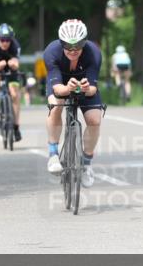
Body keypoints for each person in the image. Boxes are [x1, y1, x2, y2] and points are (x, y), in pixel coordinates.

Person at [44, 19, 104, 188]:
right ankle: (53, 154)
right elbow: (57, 89)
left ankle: (86, 163)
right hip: (60, 83)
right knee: (56, 107)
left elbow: (92, 89)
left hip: (85, 85)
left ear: (84, 42)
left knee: (95, 120)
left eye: (78, 45)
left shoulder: (94, 53)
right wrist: (67, 88)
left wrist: (85, 88)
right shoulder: (51, 52)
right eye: (67, 45)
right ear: (60, 43)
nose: (72, 50)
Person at [0, 23, 22, 142]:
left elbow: (16, 63)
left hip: (11, 68)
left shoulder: (15, 46)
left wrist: (14, 65)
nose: (5, 43)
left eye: (8, 40)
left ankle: (16, 127)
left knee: (15, 95)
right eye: (2, 40)